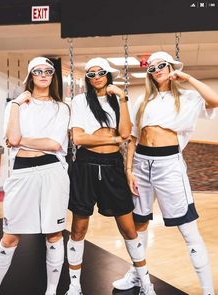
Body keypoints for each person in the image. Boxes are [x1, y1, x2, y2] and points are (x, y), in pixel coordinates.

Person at [113, 51, 218, 295]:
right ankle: (137, 275)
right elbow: (133, 139)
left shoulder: (188, 97)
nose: (156, 70)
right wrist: (129, 170)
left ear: (170, 67)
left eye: (162, 65)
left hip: (168, 165)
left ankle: (207, 290)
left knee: (187, 227)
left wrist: (188, 78)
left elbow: (215, 100)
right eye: (152, 67)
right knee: (139, 222)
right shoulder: (143, 100)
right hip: (141, 163)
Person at [65, 57, 156, 295]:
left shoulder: (118, 100)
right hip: (85, 165)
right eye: (91, 74)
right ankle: (75, 285)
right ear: (87, 78)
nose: (96, 77)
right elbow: (79, 138)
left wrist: (123, 99)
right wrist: (114, 139)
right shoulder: (80, 100)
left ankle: (145, 282)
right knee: (78, 229)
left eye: (101, 72)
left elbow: (126, 132)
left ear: (108, 74)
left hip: (113, 167)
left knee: (128, 229)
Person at [0, 57, 70, 295]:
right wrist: (15, 105)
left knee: (54, 235)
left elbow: (53, 144)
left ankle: (51, 291)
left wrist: (21, 140)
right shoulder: (17, 105)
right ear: (31, 75)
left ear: (53, 76)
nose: (43, 75)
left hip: (52, 172)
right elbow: (12, 138)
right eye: (38, 71)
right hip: (21, 173)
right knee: (10, 236)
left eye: (48, 71)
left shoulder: (61, 108)